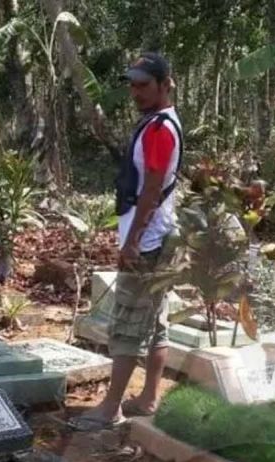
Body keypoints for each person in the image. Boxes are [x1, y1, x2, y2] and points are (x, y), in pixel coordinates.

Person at [71, 53, 183, 431]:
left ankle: (111, 407)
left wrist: (133, 240)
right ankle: (149, 396)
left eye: (144, 85)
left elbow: (152, 187)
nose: (135, 92)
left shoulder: (158, 130)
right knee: (156, 320)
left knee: (128, 324)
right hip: (160, 234)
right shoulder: (160, 123)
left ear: (165, 84)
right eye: (132, 85)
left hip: (149, 240)